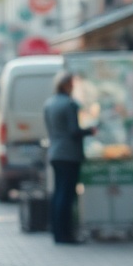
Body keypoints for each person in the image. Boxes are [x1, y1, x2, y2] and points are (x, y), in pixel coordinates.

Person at [43, 71, 96, 245]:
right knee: (66, 195)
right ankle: (66, 234)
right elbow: (74, 131)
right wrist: (90, 131)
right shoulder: (70, 104)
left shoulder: (49, 104)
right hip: (69, 155)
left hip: (55, 153)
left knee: (58, 193)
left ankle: (57, 232)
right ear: (67, 85)